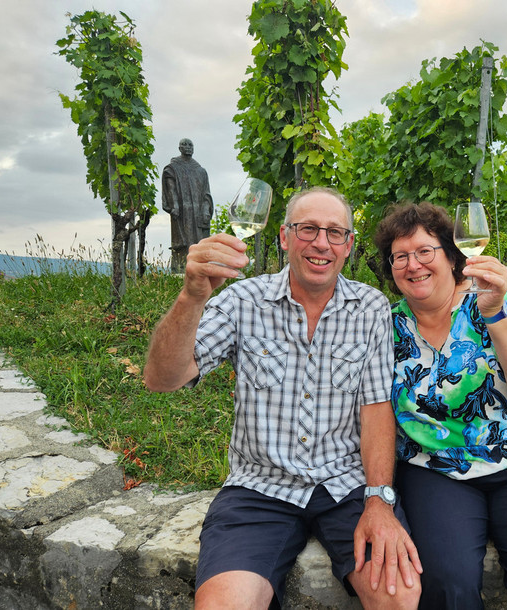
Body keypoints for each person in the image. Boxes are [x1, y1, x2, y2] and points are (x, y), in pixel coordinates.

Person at [144, 187, 422, 609]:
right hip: (259, 487)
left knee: (399, 597)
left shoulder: (371, 308)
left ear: (349, 245)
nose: (321, 243)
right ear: (283, 236)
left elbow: (376, 409)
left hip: (345, 485)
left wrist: (379, 500)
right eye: (308, 228)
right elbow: (162, 378)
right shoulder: (243, 301)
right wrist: (192, 297)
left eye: (335, 232)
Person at [374, 202, 507, 609]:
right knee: (446, 587)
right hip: (435, 468)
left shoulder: (486, 303)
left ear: (452, 257)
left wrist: (496, 313)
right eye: (400, 256)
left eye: (424, 251)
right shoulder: (386, 327)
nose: (412, 264)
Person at [161, 138, 214, 273]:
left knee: (200, 243)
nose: (188, 147)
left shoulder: (201, 171)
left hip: (199, 213)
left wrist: (206, 209)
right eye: (184, 145)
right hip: (183, 212)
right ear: (179, 148)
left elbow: (206, 194)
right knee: (184, 245)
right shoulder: (172, 168)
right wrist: (175, 206)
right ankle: (183, 271)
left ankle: (200, 269)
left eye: (191, 145)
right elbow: (170, 189)